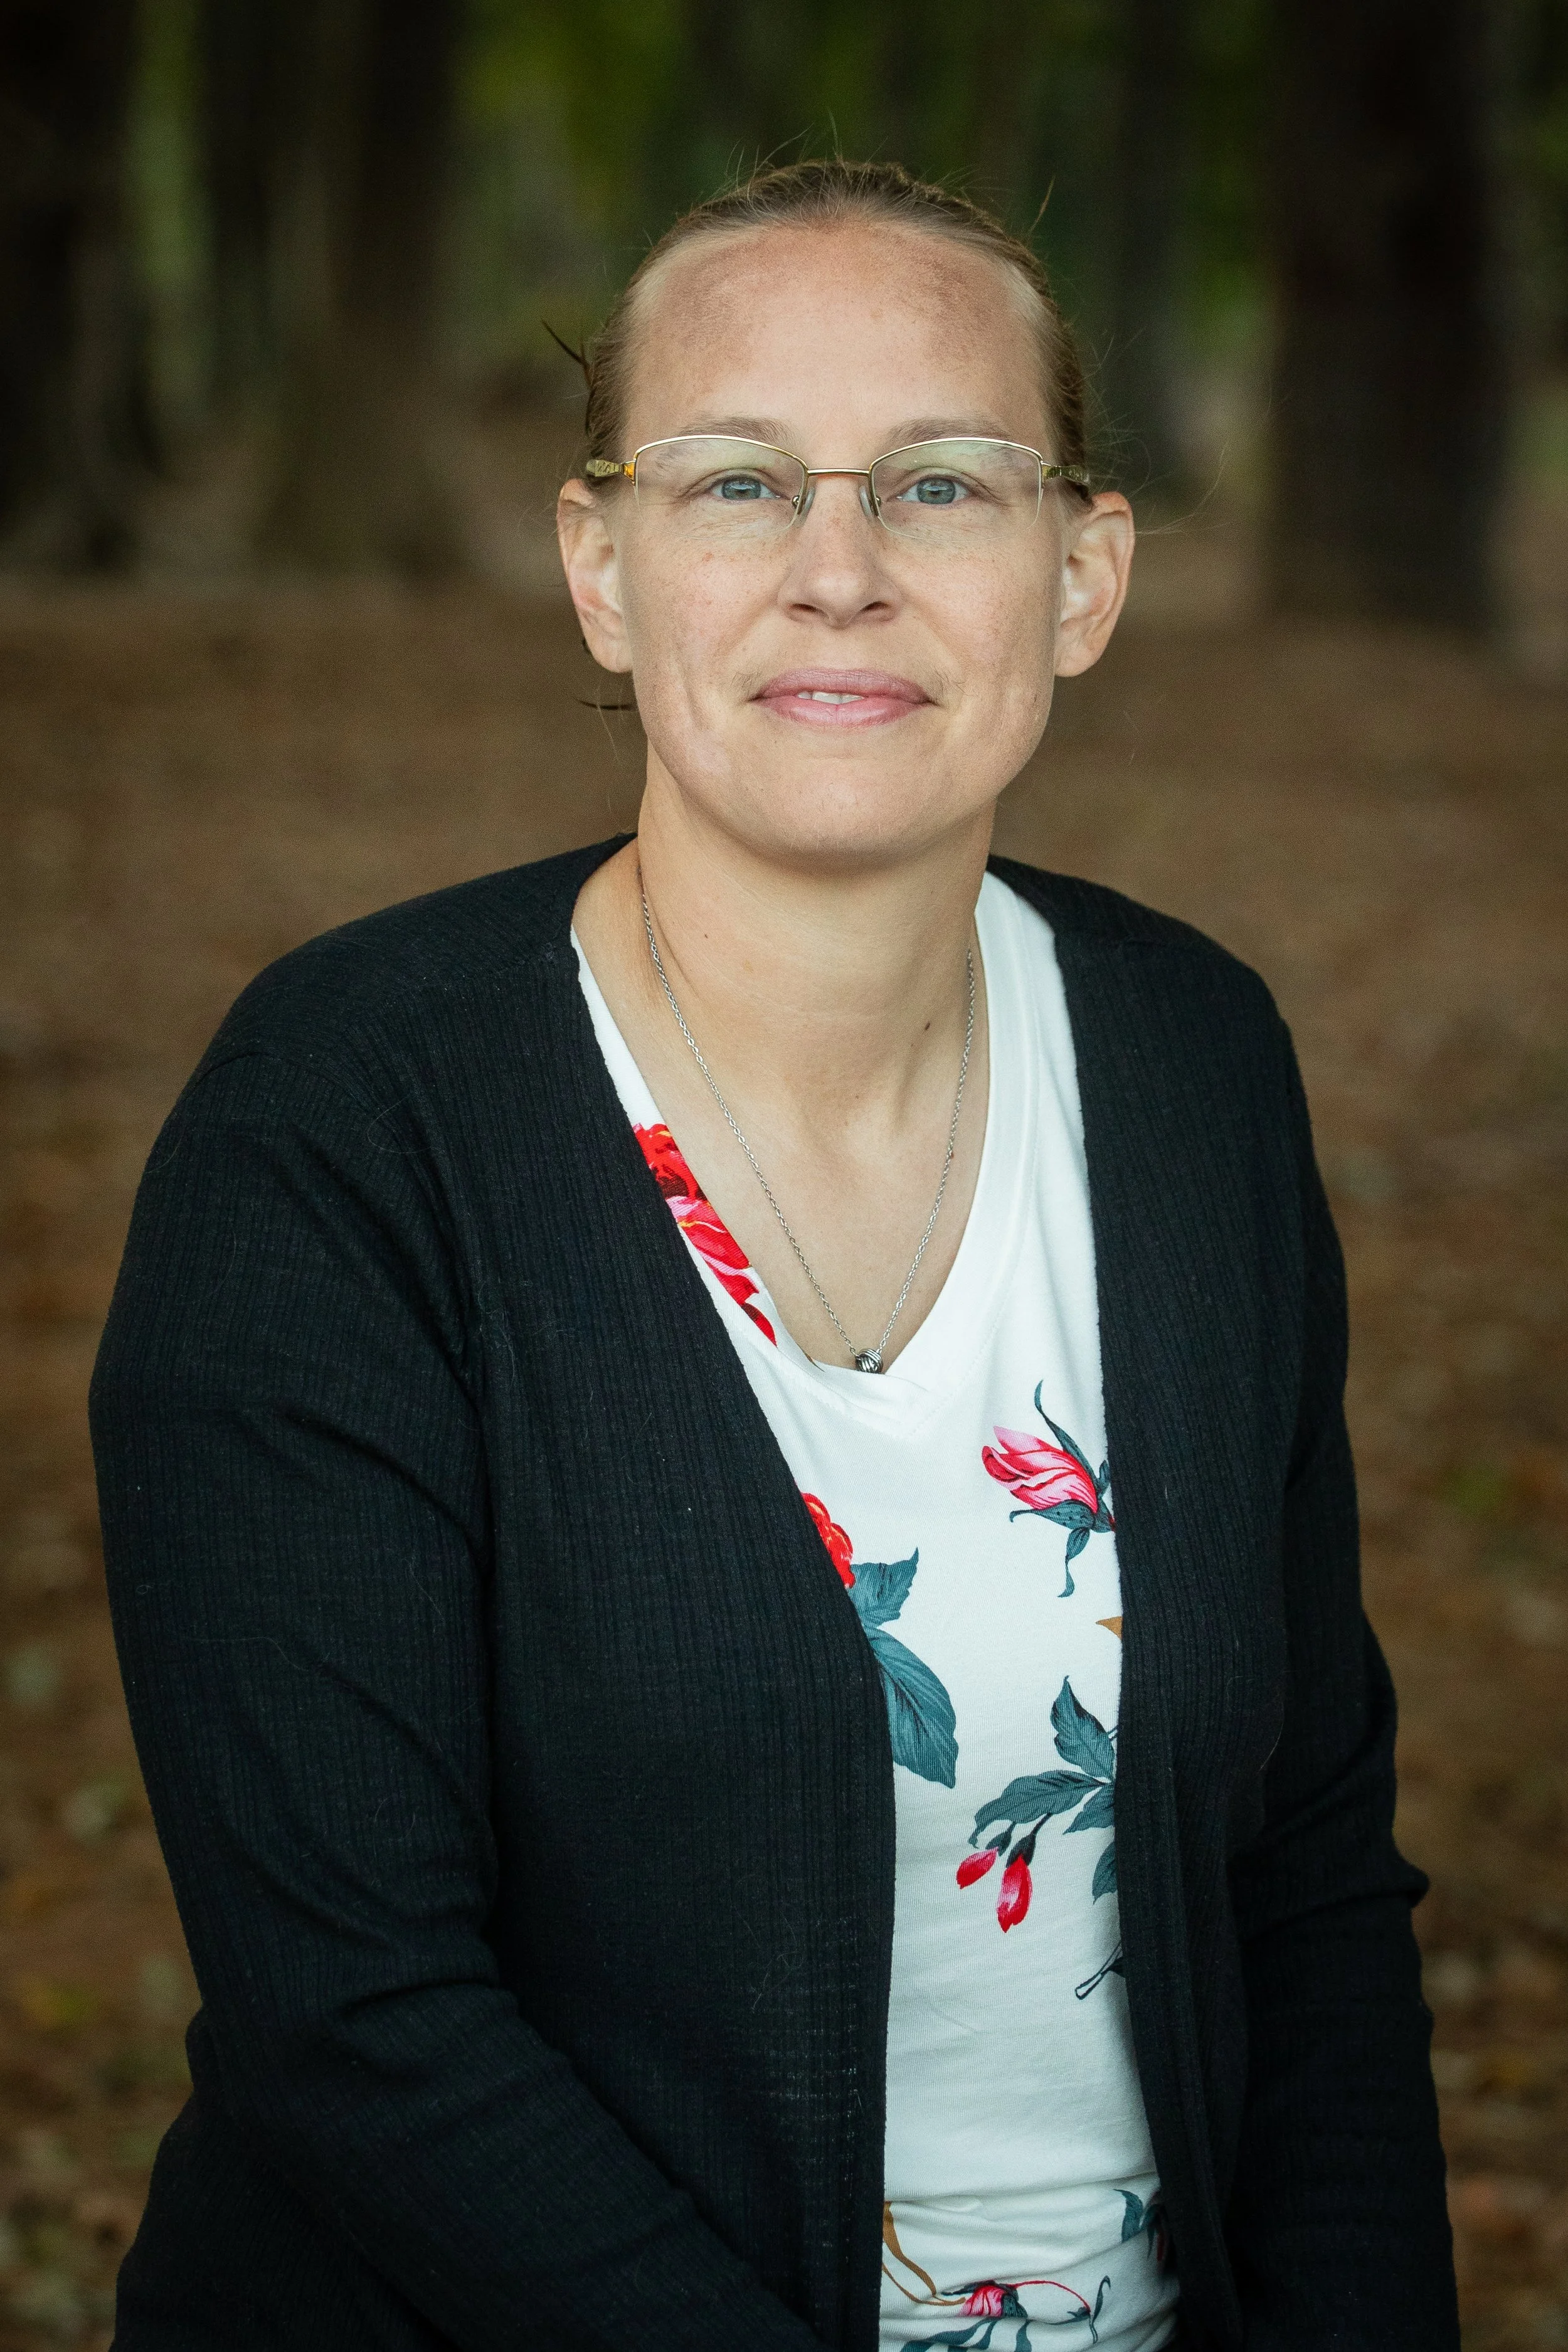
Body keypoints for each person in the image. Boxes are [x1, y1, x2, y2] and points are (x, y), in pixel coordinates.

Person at [90, 159, 1457, 2352]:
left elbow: (1300, 1866)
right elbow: (361, 2016)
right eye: (736, 485)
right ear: (600, 569)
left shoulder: (1194, 1063)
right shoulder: (342, 1124)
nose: (838, 573)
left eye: (942, 483)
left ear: (1083, 571)